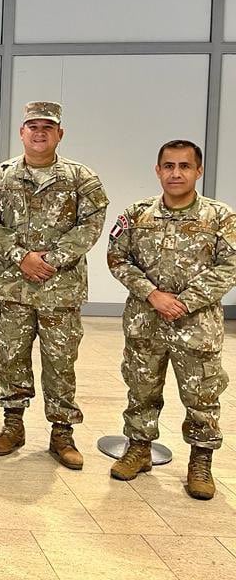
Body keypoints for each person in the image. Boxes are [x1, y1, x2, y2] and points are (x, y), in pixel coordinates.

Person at [0, 101, 108, 470]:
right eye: (33, 126)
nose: (39, 133)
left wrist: (51, 259)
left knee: (61, 362)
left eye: (47, 127)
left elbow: (91, 224)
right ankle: (12, 425)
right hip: (12, 288)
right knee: (12, 358)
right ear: (22, 132)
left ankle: (62, 433)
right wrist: (21, 256)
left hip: (59, 289)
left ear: (59, 134)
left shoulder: (81, 178)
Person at [107, 140, 236, 500]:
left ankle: (201, 461)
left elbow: (230, 266)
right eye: (169, 166)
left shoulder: (220, 217)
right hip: (145, 323)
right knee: (141, 389)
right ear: (158, 170)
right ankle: (138, 449)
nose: (175, 173)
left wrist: (185, 302)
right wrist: (152, 294)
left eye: (184, 166)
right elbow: (117, 257)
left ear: (198, 171)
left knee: (202, 395)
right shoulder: (137, 214)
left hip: (197, 327)